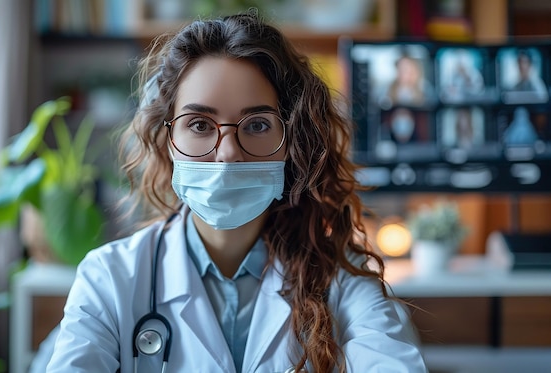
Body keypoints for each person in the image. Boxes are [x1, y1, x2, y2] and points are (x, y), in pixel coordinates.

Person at [46, 11, 427, 373]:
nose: (228, 153)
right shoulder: (110, 278)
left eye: (258, 125)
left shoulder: (344, 280)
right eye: (199, 124)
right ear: (167, 140)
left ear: (291, 142)